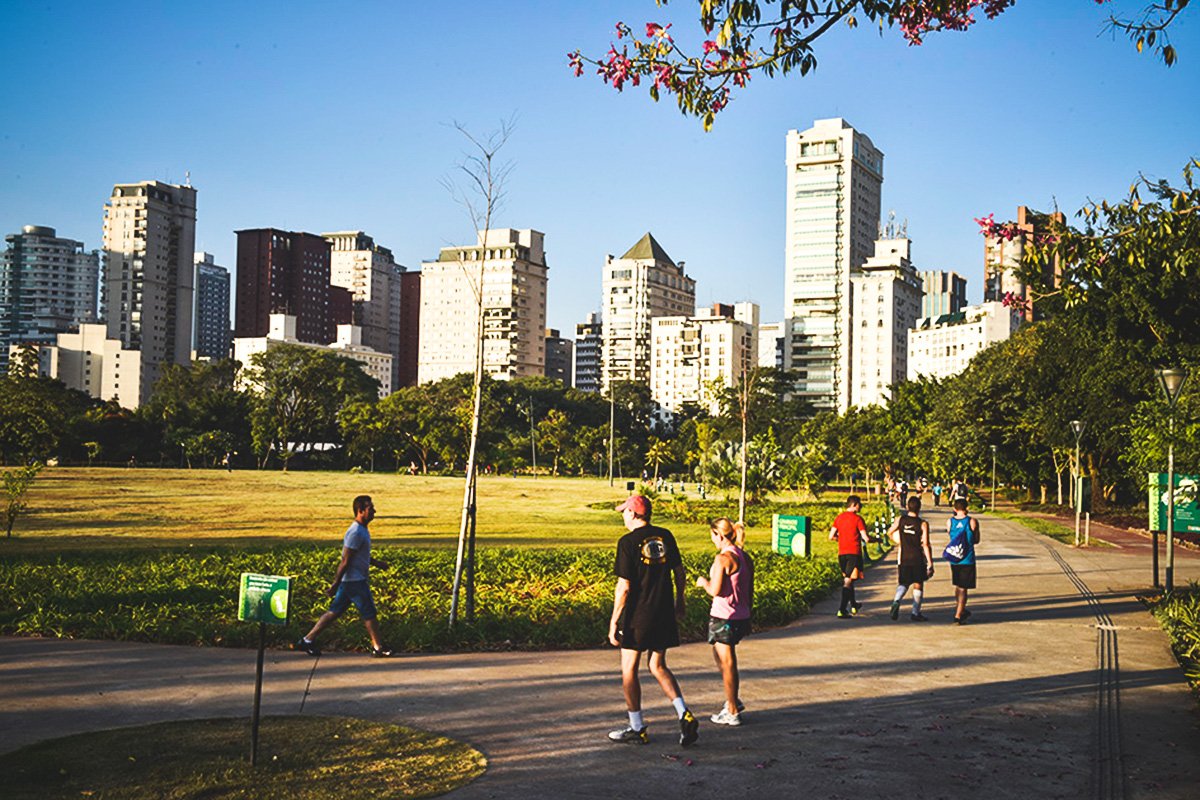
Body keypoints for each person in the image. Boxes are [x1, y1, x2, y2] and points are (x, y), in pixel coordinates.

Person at [607, 494, 699, 747]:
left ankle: (637, 727)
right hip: (663, 612)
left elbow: (624, 587)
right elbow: (679, 572)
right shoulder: (665, 536)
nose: (623, 516)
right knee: (658, 666)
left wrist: (614, 621)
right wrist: (680, 600)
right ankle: (684, 713)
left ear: (634, 514)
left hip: (638, 615)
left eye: (625, 511)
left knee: (629, 670)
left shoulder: (627, 542)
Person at [295, 495, 395, 658]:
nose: (374, 511)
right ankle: (378, 647)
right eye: (370, 508)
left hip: (352, 580)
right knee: (369, 613)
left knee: (334, 612)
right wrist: (335, 584)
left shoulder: (362, 530)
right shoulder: (355, 532)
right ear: (360, 511)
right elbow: (346, 560)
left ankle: (307, 640)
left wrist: (378, 564)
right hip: (354, 581)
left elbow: (360, 555)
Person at [696, 517, 753, 726]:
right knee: (722, 660)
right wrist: (749, 613)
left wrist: (703, 582)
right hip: (740, 615)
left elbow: (715, 590)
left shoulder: (723, 559)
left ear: (718, 535)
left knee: (728, 664)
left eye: (712, 536)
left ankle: (732, 710)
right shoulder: (745, 557)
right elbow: (749, 590)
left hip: (724, 616)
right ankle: (733, 699)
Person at [888, 495, 934, 622]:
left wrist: (898, 540)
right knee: (918, 584)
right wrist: (930, 562)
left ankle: (896, 600)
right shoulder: (923, 524)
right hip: (917, 558)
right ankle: (915, 612)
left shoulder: (900, 520)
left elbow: (889, 532)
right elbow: (925, 544)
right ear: (919, 508)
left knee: (903, 583)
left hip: (903, 557)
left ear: (908, 507)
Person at [829, 495, 869, 618]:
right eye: (859, 504)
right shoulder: (858, 519)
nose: (860, 506)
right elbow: (866, 538)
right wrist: (876, 539)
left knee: (848, 579)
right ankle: (842, 610)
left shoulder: (839, 518)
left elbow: (831, 536)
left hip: (842, 554)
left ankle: (853, 605)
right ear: (854, 505)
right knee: (848, 581)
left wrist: (841, 539)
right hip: (854, 553)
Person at [947, 498, 981, 624]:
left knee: (958, 585)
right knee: (963, 587)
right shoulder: (972, 521)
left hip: (955, 558)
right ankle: (958, 615)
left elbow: (951, 536)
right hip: (967, 558)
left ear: (955, 509)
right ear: (967, 507)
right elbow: (976, 540)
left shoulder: (950, 522)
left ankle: (961, 608)